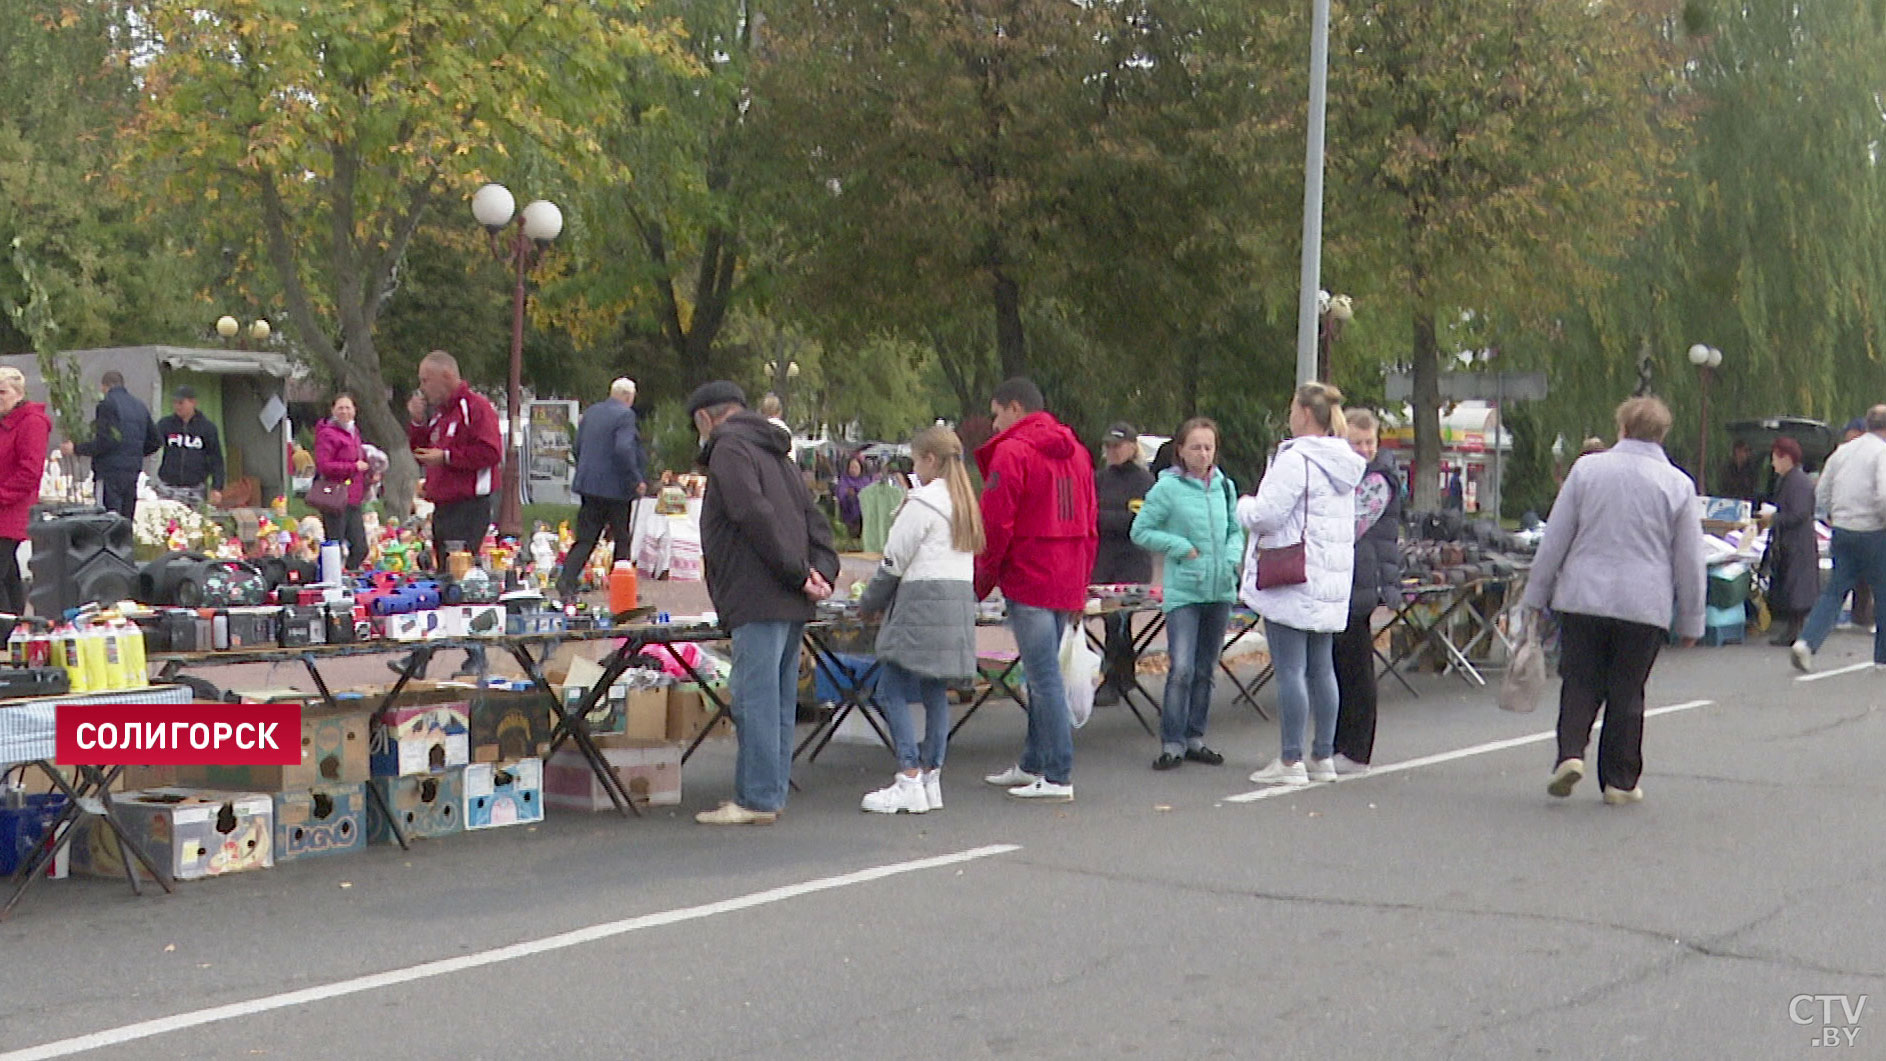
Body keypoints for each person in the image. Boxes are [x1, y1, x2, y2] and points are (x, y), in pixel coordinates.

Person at [1524, 396, 1705, 804]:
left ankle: (1570, 754)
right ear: (1662, 435)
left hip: (1583, 596)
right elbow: (1689, 559)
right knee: (1628, 690)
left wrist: (1536, 594)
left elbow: (1556, 538)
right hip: (1644, 604)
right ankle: (1619, 781)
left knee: (1580, 679)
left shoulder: (1587, 470)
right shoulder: (1677, 484)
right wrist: (1692, 619)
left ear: (1621, 428)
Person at [689, 381, 839, 825]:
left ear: (705, 418)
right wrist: (820, 571)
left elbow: (751, 513)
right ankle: (768, 793)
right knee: (775, 699)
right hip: (790, 597)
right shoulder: (777, 453)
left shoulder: (730, 449)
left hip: (757, 591)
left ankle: (755, 797)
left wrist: (797, 570)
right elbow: (813, 518)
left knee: (755, 698)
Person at [975, 377, 1097, 802]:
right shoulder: (1078, 452)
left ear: (1013, 408)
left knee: (1043, 677)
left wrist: (981, 578)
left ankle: (1059, 773)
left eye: (995, 414)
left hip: (1029, 573)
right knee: (1043, 673)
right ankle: (1033, 763)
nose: (993, 425)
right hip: (1065, 573)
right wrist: (1081, 584)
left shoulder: (1012, 452)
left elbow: (996, 522)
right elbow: (1090, 520)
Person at [1241, 382, 1365, 787]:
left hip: (1291, 575)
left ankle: (1290, 760)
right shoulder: (1344, 463)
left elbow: (1267, 514)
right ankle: (1322, 755)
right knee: (1321, 669)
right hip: (1329, 579)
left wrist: (1243, 506)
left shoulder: (1296, 460)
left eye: (1293, 407)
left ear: (1305, 414)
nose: (1290, 414)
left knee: (1291, 670)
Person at [857, 426, 983, 814]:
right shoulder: (965, 505)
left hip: (921, 602)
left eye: (916, 460)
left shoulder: (922, 503)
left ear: (930, 460)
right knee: (934, 690)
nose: (914, 468)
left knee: (890, 686)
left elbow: (894, 560)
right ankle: (932, 776)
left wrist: (869, 603)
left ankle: (908, 776)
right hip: (956, 603)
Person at [1130, 417, 1242, 770]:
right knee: (1181, 668)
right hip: (1185, 591)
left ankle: (1196, 736)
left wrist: (1231, 558)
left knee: (1206, 668)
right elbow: (1142, 530)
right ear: (1180, 450)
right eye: (1195, 446)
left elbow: (1236, 531)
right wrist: (1180, 546)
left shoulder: (1225, 487)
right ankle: (1173, 741)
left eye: (1209, 447)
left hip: (1219, 588)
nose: (1203, 453)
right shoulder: (1168, 489)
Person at [406, 350, 503, 677]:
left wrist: (447, 457)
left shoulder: (475, 408)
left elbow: (490, 452)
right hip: (444, 506)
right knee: (443, 582)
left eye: (425, 380)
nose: (422, 388)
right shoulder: (441, 414)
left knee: (459, 579)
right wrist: (418, 423)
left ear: (446, 377)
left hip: (470, 506)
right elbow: (422, 452)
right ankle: (423, 657)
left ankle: (469, 655)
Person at [1790, 405, 1886, 672]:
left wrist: (1835, 515)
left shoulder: (1842, 452)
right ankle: (1882, 658)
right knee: (1883, 592)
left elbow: (1820, 492)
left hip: (1842, 529)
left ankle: (1807, 642)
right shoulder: (1882, 453)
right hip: (1874, 530)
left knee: (1834, 590)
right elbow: (1884, 495)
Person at [1332, 409, 1402, 776]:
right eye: (1355, 443)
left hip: (1363, 578)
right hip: (1346, 577)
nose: (1362, 450)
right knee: (1339, 662)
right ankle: (1337, 742)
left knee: (1356, 664)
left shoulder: (1379, 480)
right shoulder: (1346, 474)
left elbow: (1351, 523)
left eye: (1368, 443)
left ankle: (1356, 748)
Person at [560, 378, 645, 603]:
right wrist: (635, 478)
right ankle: (622, 586)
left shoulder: (592, 412)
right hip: (617, 487)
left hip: (590, 485)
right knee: (622, 538)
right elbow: (624, 448)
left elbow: (578, 446)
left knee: (586, 538)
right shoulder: (625, 415)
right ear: (629, 396)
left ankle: (566, 580)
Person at [1091, 421, 1155, 706]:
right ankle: (1120, 675)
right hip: (1104, 561)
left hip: (1133, 561)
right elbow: (1086, 513)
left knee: (1121, 619)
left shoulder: (1144, 480)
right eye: (1109, 446)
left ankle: (1117, 677)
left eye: (1118, 446)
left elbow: (1138, 522)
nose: (1113, 451)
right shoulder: (1100, 479)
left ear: (1132, 447)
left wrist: (1103, 518)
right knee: (1109, 621)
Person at [62, 369, 156, 521]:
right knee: (125, 521)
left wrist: (77, 448)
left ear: (104, 387)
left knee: (106, 521)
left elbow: (105, 441)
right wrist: (134, 452)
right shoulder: (140, 406)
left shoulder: (107, 405)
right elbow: (155, 441)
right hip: (132, 471)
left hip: (109, 472)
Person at [0, 368, 51, 614]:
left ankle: (5, 634)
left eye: (2, 392)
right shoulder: (5, 422)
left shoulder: (31, 422)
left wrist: (2, 495)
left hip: (11, 508)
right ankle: (15, 630)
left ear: (18, 393)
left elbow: (30, 471)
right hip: (4, 506)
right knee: (8, 574)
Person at [1762, 437, 1818, 647]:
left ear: (1786, 458)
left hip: (1798, 542)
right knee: (1792, 586)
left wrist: (1774, 517)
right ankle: (1792, 631)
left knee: (1798, 587)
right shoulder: (1788, 480)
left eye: (1775, 457)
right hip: (1790, 542)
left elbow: (1798, 514)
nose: (1773, 463)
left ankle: (1796, 631)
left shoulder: (1798, 482)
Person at [314, 394, 372, 570]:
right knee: (334, 546)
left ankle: (349, 575)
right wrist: (353, 467)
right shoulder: (327, 434)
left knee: (361, 547)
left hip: (354, 497)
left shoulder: (354, 432)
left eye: (348, 407)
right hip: (334, 496)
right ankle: (329, 578)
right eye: (340, 408)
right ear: (333, 411)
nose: (345, 411)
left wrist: (369, 474)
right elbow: (324, 465)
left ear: (355, 410)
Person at [152, 385, 226, 508]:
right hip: (167, 487)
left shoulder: (207, 428)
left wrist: (217, 487)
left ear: (193, 402)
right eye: (175, 402)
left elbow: (216, 459)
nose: (177, 406)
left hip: (195, 489)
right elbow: (151, 445)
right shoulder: (165, 425)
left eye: (181, 403)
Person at [835, 455, 871, 538]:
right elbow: (841, 494)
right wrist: (849, 496)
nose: (853, 470)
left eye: (856, 467)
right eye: (851, 467)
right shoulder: (844, 481)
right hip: (849, 516)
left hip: (865, 515)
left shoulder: (866, 480)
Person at [1719, 439, 1762, 503]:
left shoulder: (1751, 469)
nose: (1747, 454)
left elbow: (1752, 487)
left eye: (1749, 451)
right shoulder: (1727, 468)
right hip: (1729, 500)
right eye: (1745, 451)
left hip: (1745, 502)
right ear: (1737, 451)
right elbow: (1724, 486)